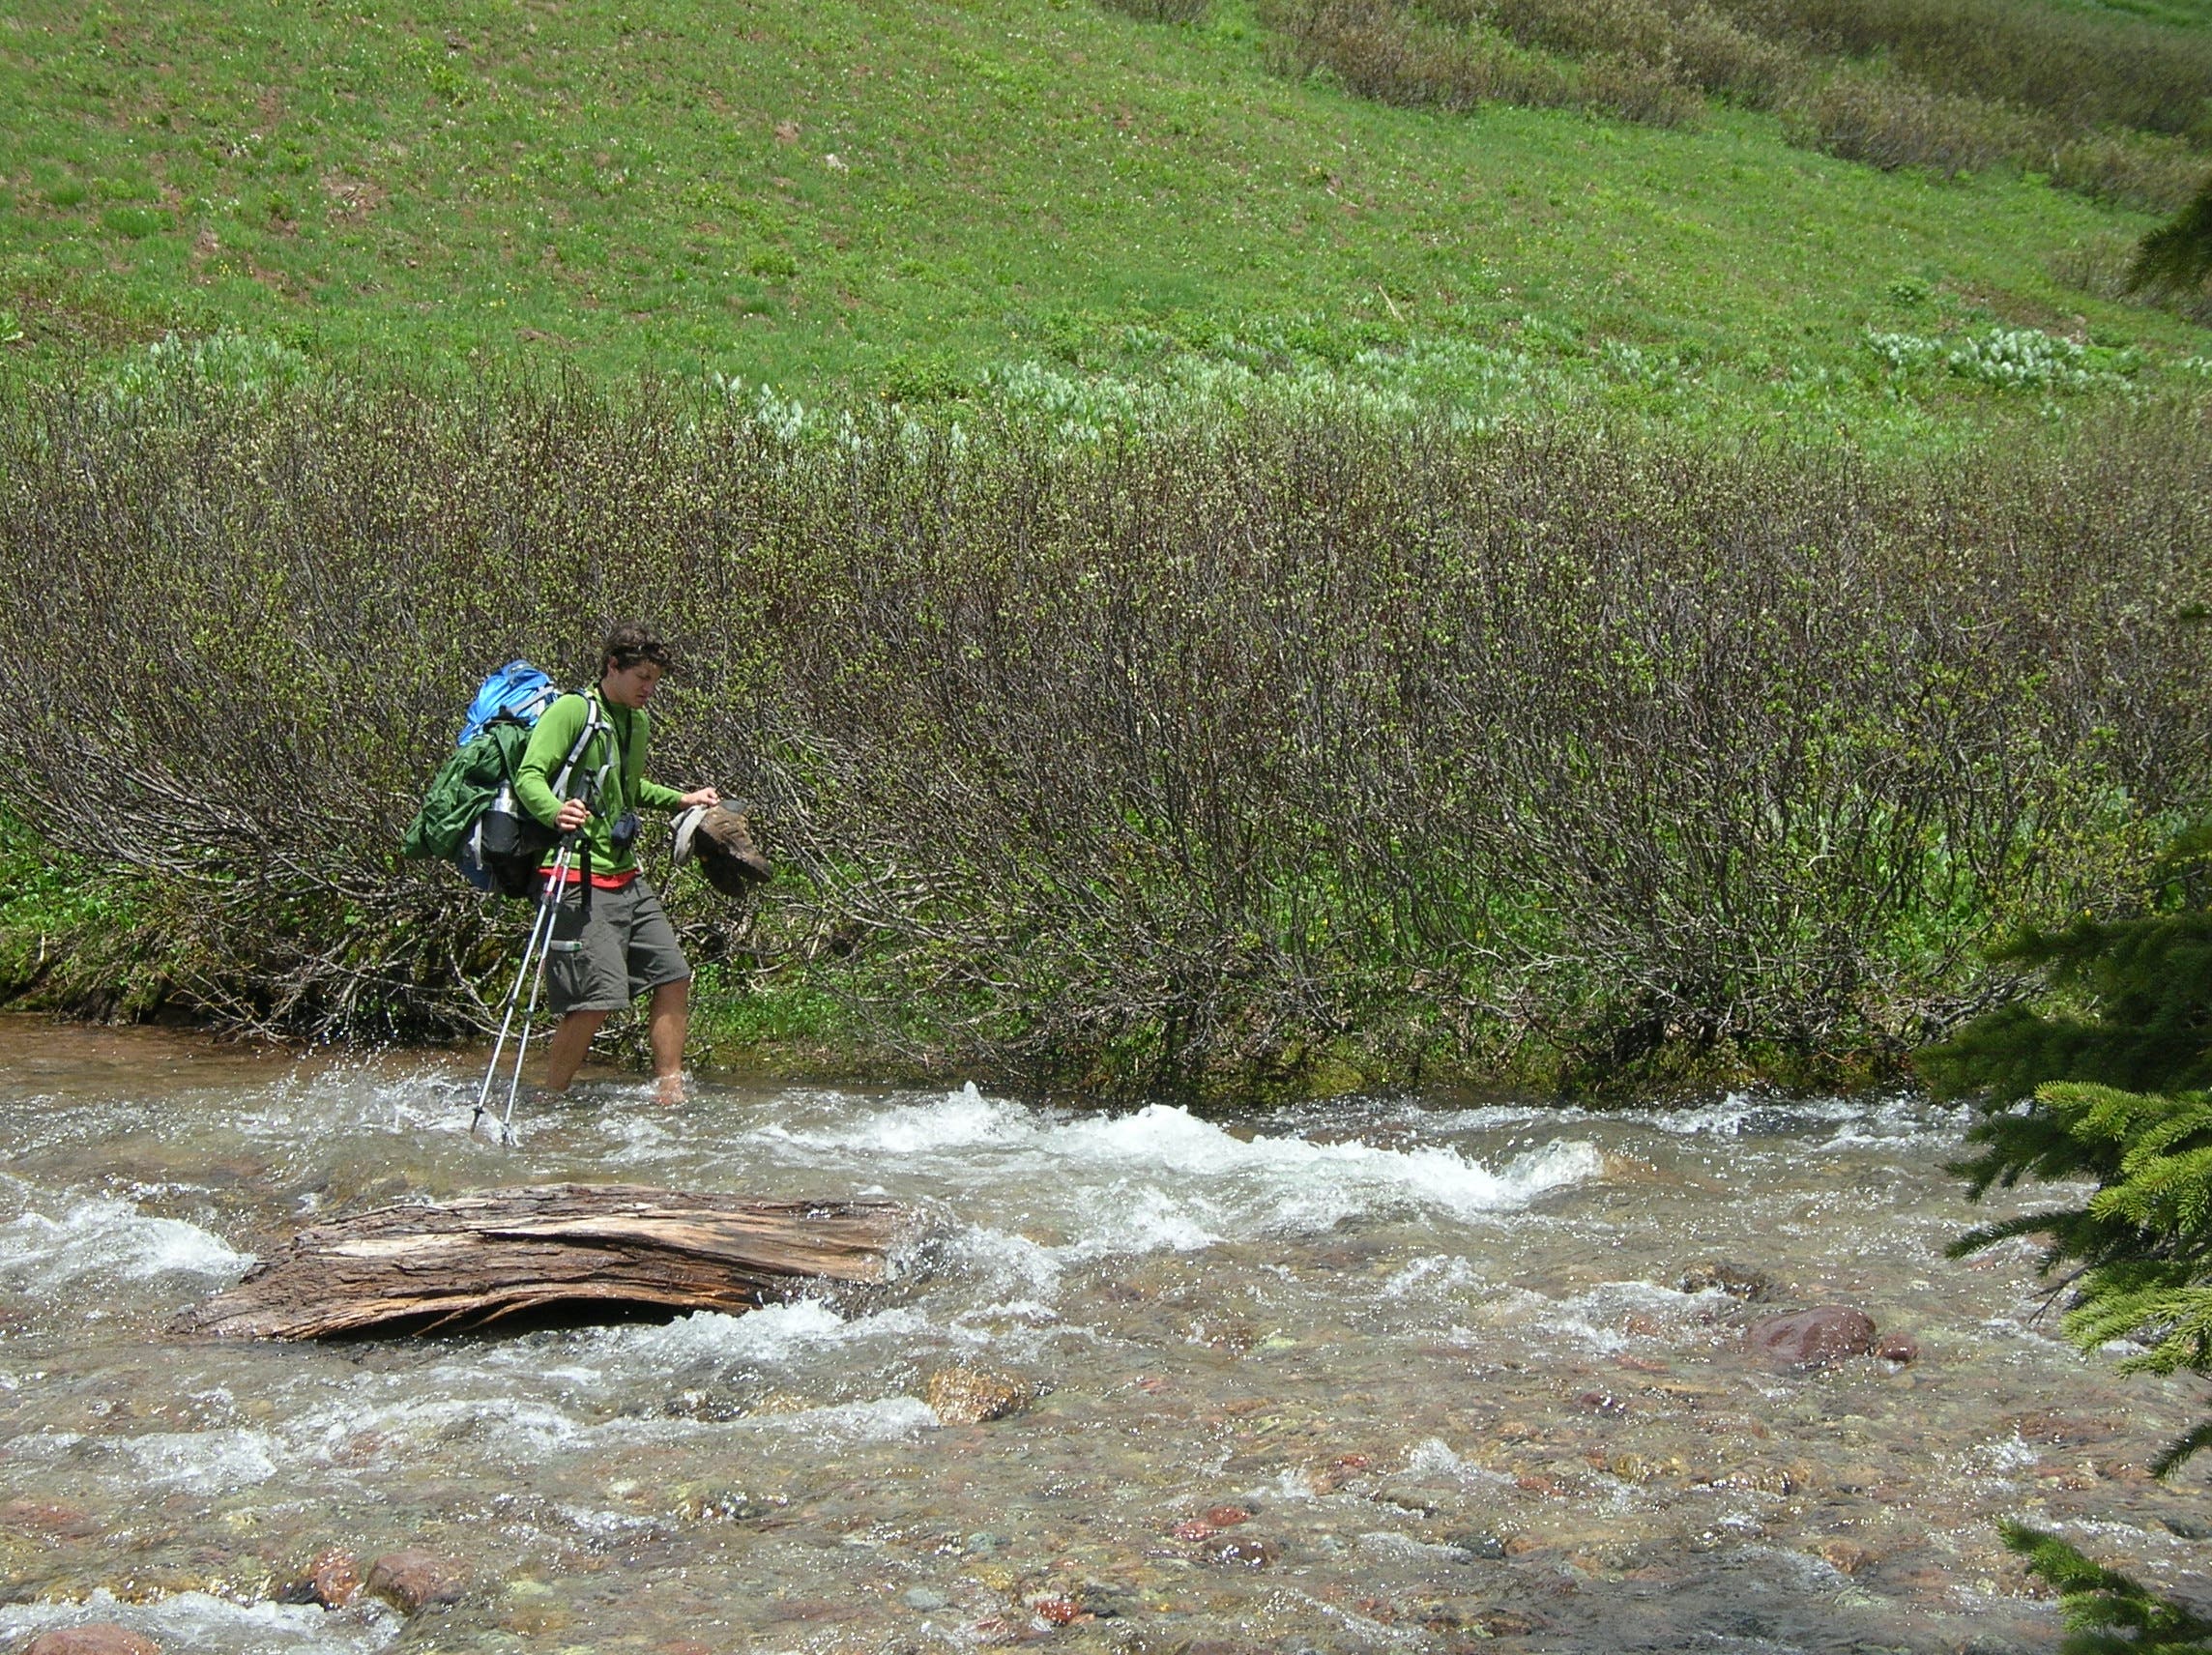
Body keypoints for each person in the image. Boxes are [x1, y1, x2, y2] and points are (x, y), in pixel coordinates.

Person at [513, 624, 720, 1103]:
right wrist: (554, 810)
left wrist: (681, 798)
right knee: (595, 1001)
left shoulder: (637, 722)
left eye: (656, 679)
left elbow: (629, 792)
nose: (650, 688)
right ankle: (551, 1098)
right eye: (642, 676)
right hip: (576, 874)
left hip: (627, 875)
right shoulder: (573, 711)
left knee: (673, 973)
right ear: (612, 666)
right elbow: (529, 776)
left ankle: (670, 1091)